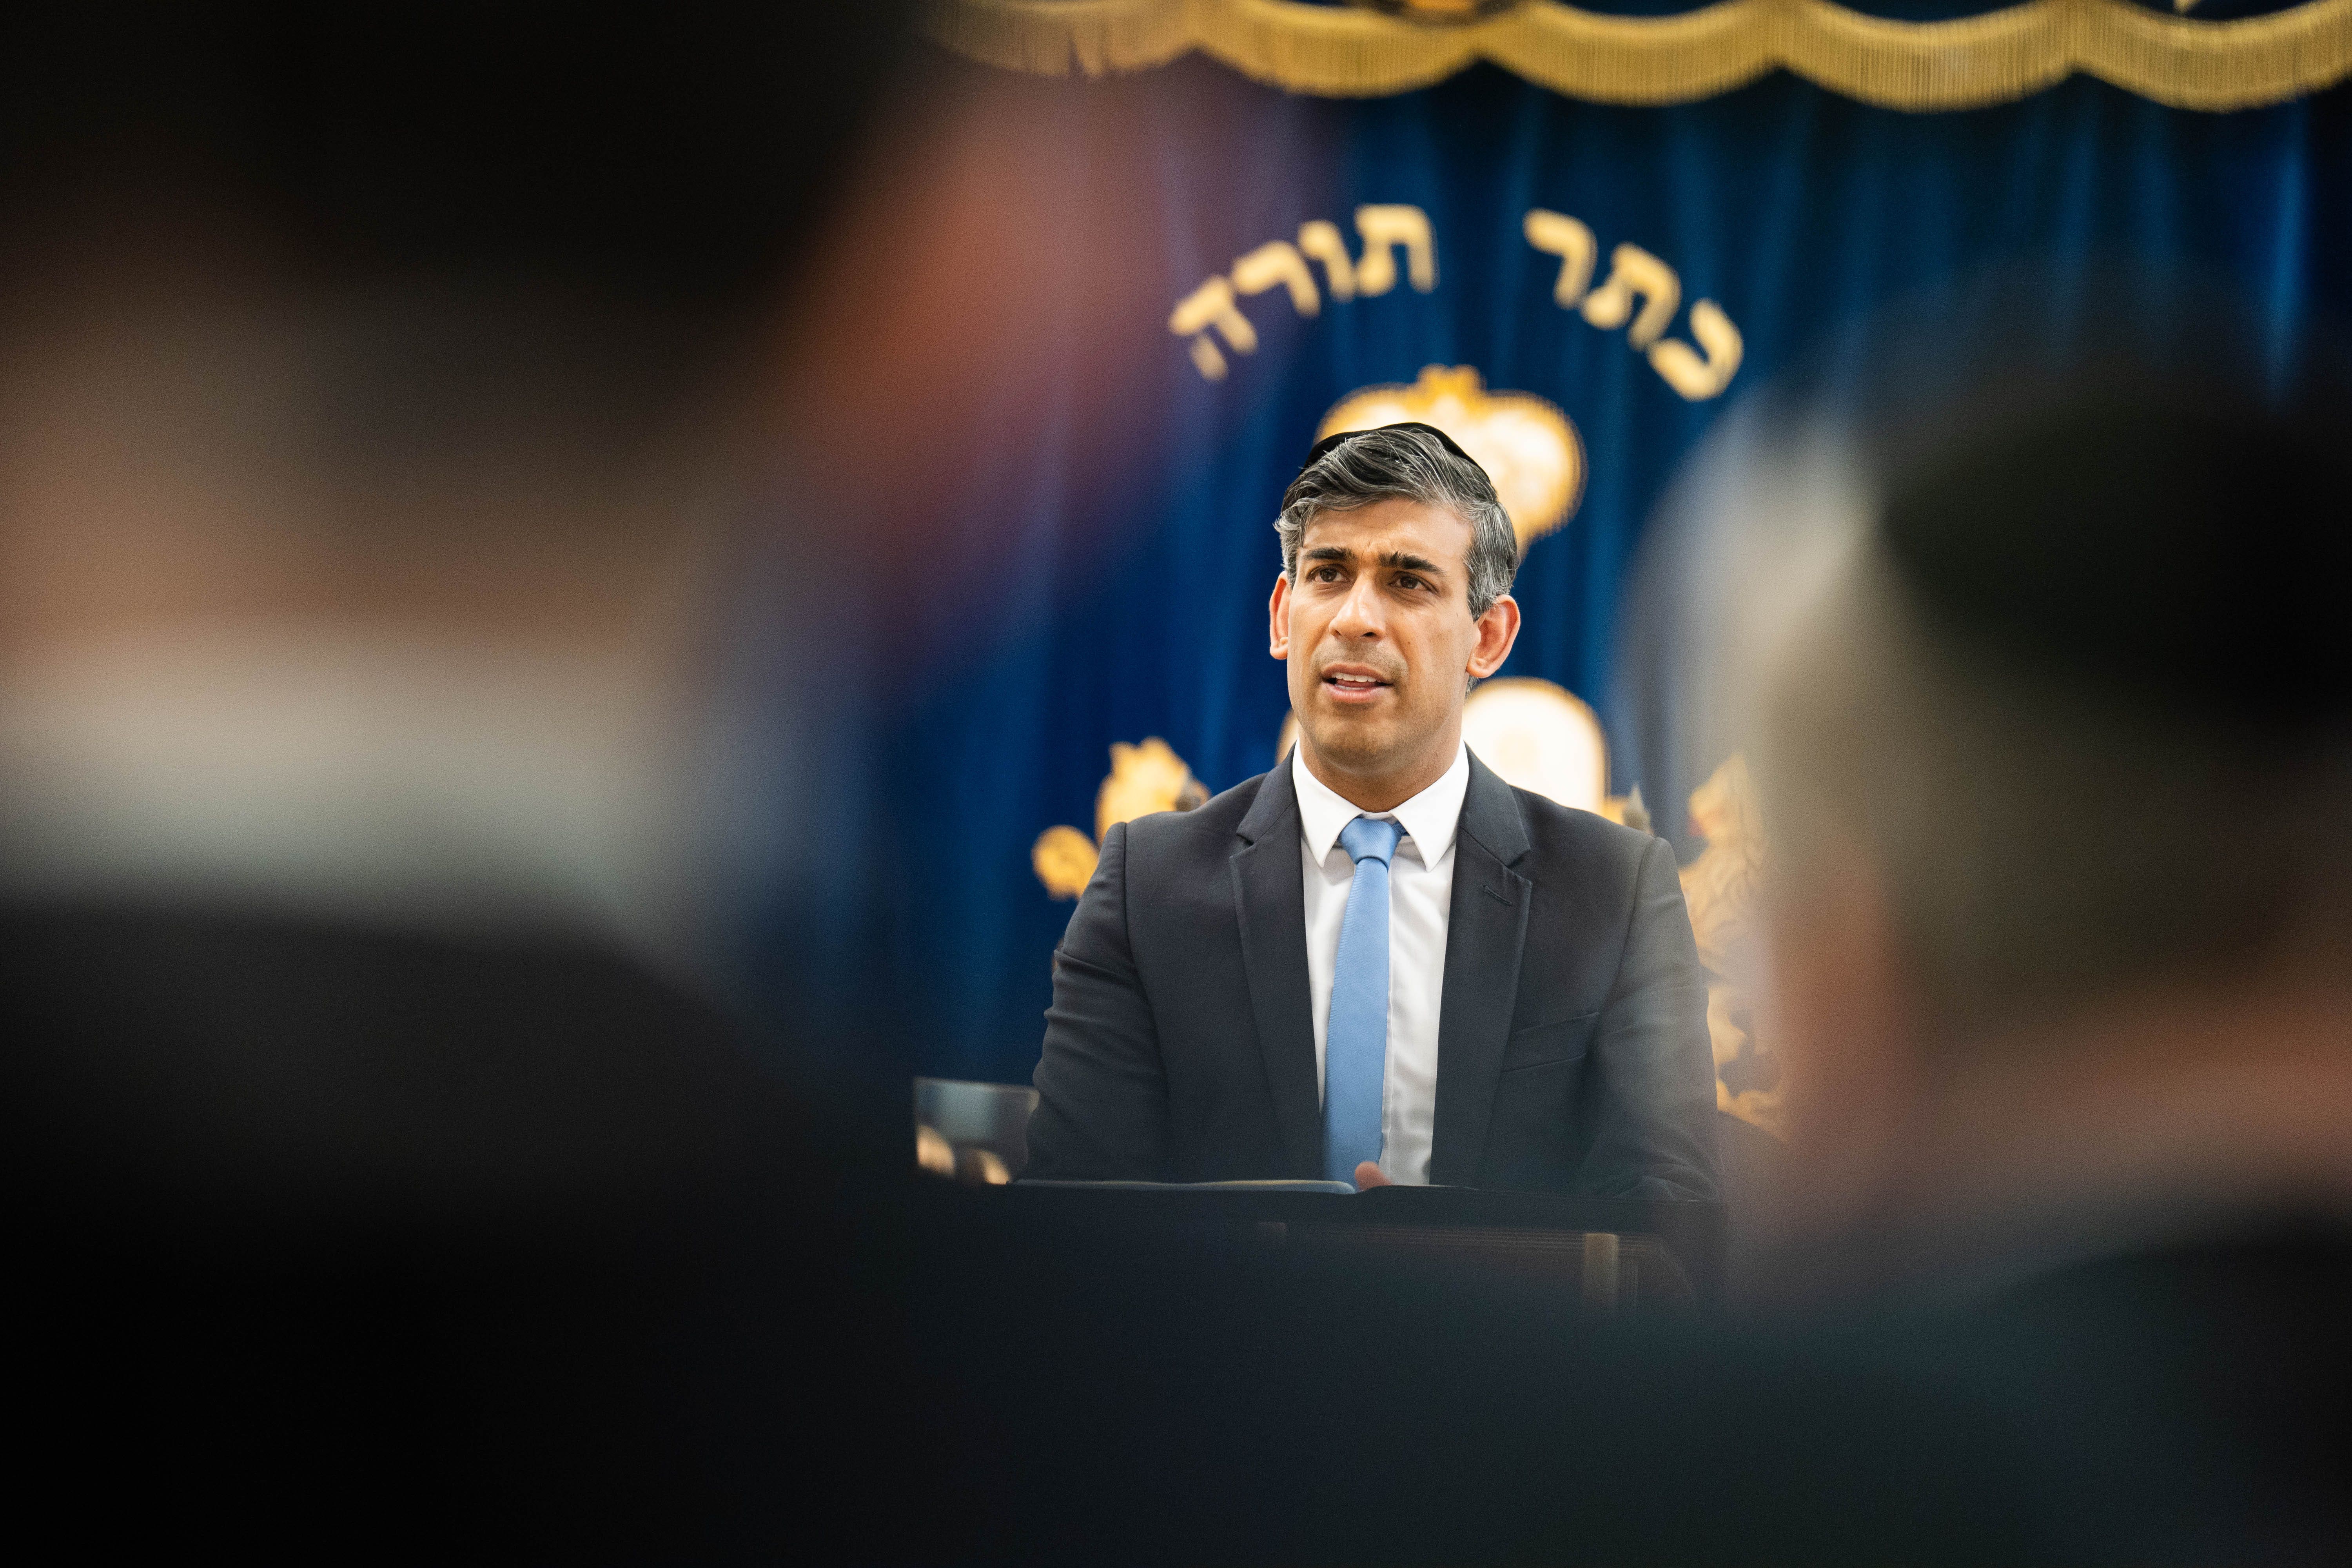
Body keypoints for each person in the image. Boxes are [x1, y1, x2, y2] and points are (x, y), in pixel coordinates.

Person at [1026, 423, 1719, 1196]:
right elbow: (1072, 1210)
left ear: (1487, 636)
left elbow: (1669, 1210)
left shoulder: (1613, 893)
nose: (1355, 618)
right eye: (1328, 573)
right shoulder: (1143, 887)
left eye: (1408, 581)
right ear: (1283, 615)